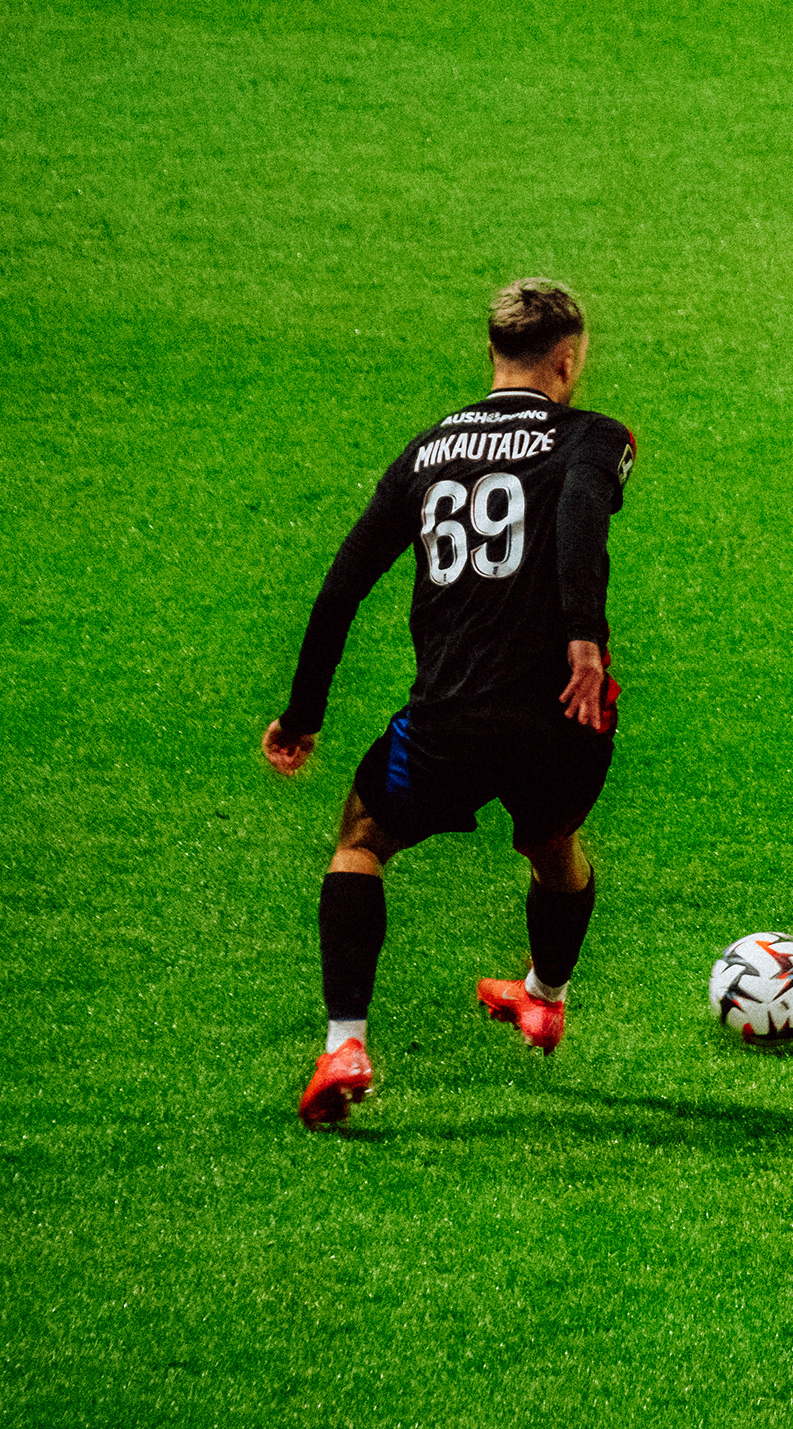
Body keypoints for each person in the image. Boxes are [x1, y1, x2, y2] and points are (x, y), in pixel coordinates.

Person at [264, 278, 637, 1126]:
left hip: (449, 717)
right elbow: (580, 512)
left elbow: (343, 586)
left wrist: (304, 714)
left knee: (361, 838)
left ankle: (345, 1044)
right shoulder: (595, 437)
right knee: (553, 840)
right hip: (564, 712)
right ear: (568, 360)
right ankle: (545, 994)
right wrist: (583, 631)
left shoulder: (426, 450)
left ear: (493, 354)